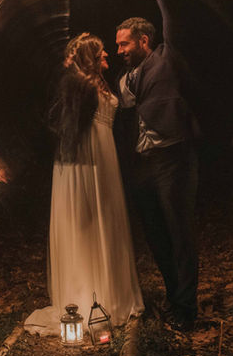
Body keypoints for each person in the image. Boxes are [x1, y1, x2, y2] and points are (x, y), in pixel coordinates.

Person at [24, 33, 144, 336]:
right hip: (88, 157)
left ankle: (112, 292)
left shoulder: (102, 83)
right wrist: (79, 172)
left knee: (107, 219)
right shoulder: (79, 85)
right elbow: (69, 127)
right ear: (91, 58)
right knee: (90, 221)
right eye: (101, 54)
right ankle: (88, 292)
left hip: (105, 156)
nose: (107, 57)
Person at [115, 17, 200, 331]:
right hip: (142, 164)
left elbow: (174, 22)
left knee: (180, 233)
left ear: (144, 41)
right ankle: (173, 295)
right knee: (155, 235)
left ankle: (187, 309)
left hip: (173, 157)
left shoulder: (164, 59)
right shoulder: (124, 78)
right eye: (118, 45)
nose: (120, 50)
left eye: (125, 43)